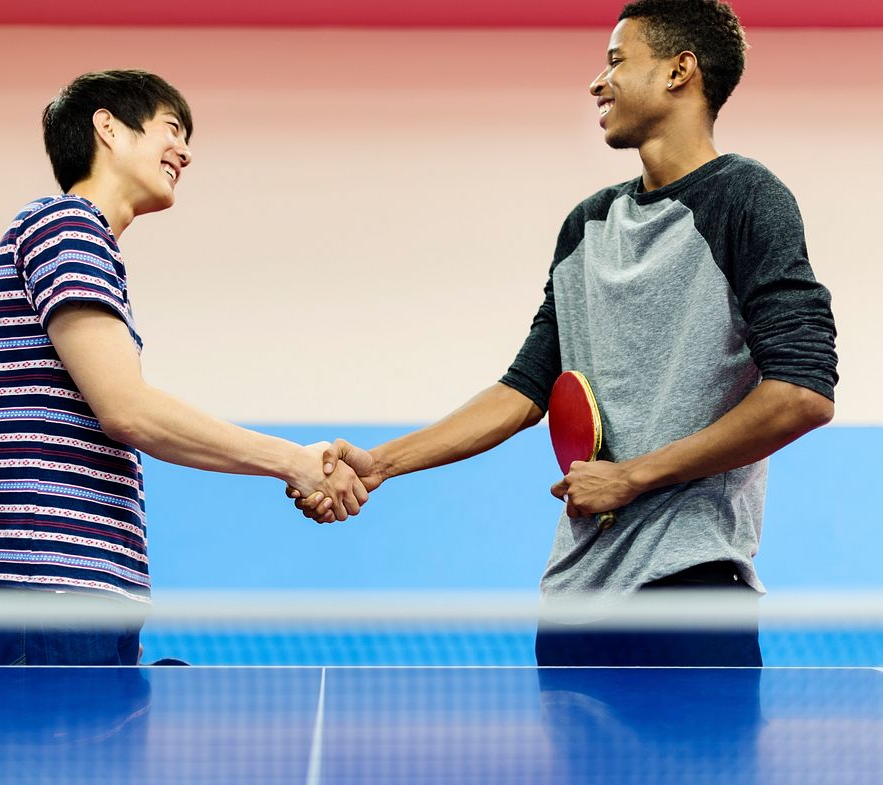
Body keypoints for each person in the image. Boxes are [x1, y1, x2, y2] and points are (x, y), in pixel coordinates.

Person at [291, 0, 838, 666]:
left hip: (689, 592)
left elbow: (803, 390)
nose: (596, 82)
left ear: (679, 71)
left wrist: (633, 477)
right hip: (574, 600)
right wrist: (382, 463)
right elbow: (525, 389)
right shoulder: (587, 227)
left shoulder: (747, 199)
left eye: (616, 61)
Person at [0, 69, 367, 666]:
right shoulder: (67, 226)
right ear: (107, 127)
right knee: (69, 757)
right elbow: (127, 409)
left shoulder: (81, 240)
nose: (185, 152)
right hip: (57, 573)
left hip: (83, 574)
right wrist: (293, 461)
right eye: (171, 129)